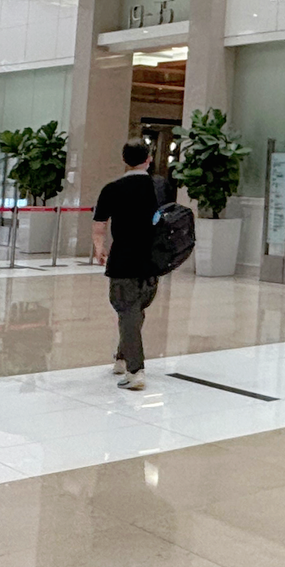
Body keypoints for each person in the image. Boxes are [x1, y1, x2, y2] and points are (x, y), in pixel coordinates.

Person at [92, 139, 165, 390]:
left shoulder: (112, 189)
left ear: (124, 160)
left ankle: (135, 370)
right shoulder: (160, 187)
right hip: (152, 263)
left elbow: (99, 225)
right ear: (149, 159)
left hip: (124, 260)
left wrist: (100, 249)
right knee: (134, 312)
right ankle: (122, 358)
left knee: (128, 312)